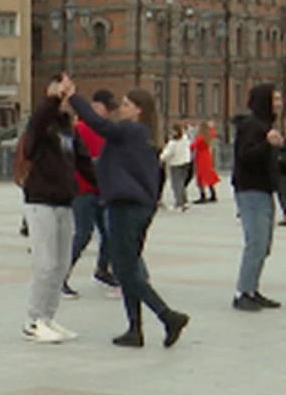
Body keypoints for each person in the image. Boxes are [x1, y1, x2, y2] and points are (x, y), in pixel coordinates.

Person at [67, 79, 190, 348]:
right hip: (139, 205)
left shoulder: (130, 131)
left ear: (139, 110)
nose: (121, 109)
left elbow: (99, 124)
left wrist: (74, 97)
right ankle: (135, 329)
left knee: (125, 270)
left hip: (126, 205)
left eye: (126, 105)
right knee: (128, 267)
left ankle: (168, 316)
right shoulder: (144, 136)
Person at [21, 79, 87, 344]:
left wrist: (104, 189)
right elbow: (34, 130)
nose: (65, 99)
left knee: (60, 265)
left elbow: (83, 162)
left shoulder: (68, 130)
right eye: (60, 95)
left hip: (63, 200)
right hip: (40, 200)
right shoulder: (40, 126)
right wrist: (52, 99)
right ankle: (33, 320)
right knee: (45, 264)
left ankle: (48, 317)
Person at [232, 84, 286, 311]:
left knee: (263, 245)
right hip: (251, 190)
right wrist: (267, 143)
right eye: (275, 99)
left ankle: (252, 289)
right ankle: (242, 293)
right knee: (256, 243)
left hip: (263, 190)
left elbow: (269, 162)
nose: (280, 104)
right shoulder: (252, 126)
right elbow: (245, 157)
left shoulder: (265, 126)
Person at [64, 92, 116, 299]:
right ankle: (61, 277)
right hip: (82, 189)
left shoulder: (106, 131)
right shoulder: (79, 130)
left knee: (109, 233)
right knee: (83, 233)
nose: (110, 113)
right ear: (95, 107)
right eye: (106, 108)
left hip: (102, 189)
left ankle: (102, 269)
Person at [159, 123, 193, 212]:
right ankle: (184, 201)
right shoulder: (185, 139)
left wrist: (160, 158)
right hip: (185, 162)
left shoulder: (173, 142)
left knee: (176, 184)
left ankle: (179, 203)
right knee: (181, 183)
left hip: (176, 163)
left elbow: (167, 153)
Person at [192, 121, 221, 203]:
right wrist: (211, 127)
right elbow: (213, 133)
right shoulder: (209, 135)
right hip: (207, 156)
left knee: (200, 177)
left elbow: (193, 146)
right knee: (208, 175)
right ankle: (213, 194)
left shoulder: (200, 137)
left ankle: (203, 195)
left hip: (201, 157)